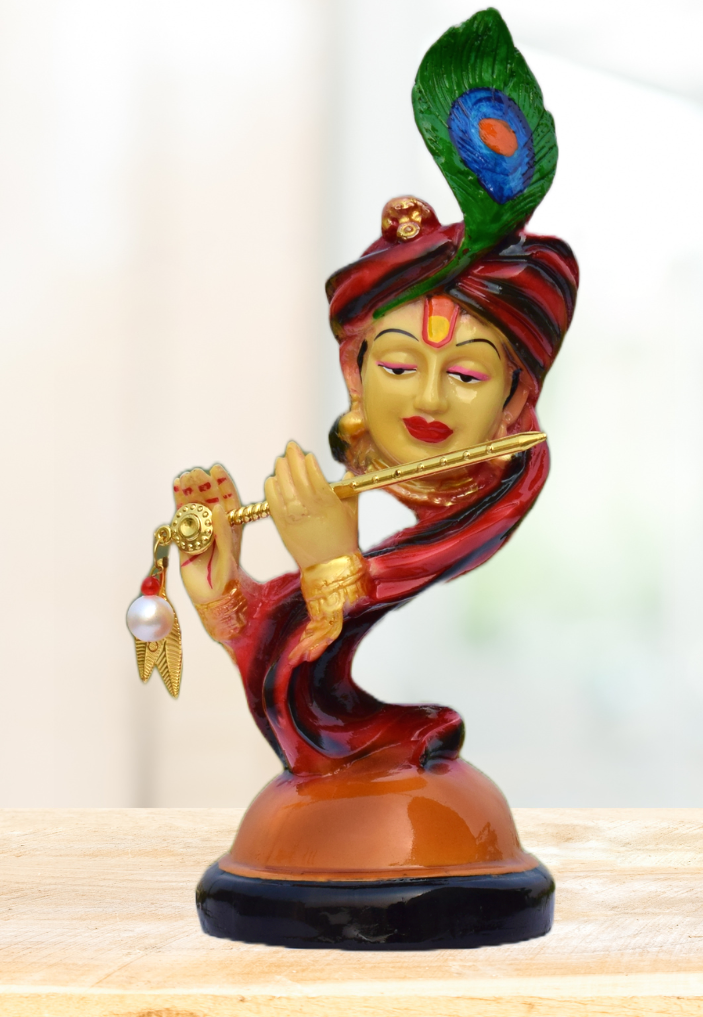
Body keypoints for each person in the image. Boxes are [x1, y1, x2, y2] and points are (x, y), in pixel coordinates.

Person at [174, 197, 577, 777]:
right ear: (354, 374)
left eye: (466, 375)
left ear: (514, 398)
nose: (430, 399)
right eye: (399, 368)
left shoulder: (478, 518)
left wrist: (335, 572)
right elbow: (294, 705)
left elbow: (314, 708)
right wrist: (231, 600)